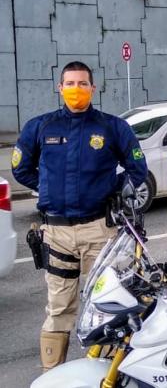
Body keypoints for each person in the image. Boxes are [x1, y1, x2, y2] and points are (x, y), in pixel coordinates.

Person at [12, 61, 148, 371]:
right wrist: (49, 187)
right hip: (57, 234)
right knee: (59, 309)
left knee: (109, 307)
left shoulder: (113, 127)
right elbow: (21, 169)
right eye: (70, 84)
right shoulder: (40, 127)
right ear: (59, 88)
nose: (76, 90)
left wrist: (107, 189)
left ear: (93, 88)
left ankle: (103, 375)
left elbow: (137, 169)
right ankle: (52, 375)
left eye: (82, 84)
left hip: (99, 232)